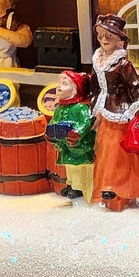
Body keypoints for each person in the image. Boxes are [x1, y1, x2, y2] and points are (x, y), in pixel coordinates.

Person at [88, 13, 139, 212]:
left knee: (118, 151)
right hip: (103, 111)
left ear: (119, 39)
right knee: (104, 150)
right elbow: (94, 86)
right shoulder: (98, 60)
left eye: (109, 36)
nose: (104, 40)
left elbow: (136, 86)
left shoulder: (123, 64)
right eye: (101, 36)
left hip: (120, 112)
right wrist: (92, 106)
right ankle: (105, 187)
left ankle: (117, 188)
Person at [45, 69, 96, 202]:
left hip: (80, 146)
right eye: (59, 83)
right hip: (66, 145)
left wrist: (77, 133)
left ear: (75, 89)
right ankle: (72, 184)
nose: (59, 87)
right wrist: (51, 132)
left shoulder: (81, 108)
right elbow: (54, 121)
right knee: (69, 166)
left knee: (80, 166)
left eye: (65, 84)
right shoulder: (60, 108)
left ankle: (81, 188)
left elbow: (86, 122)